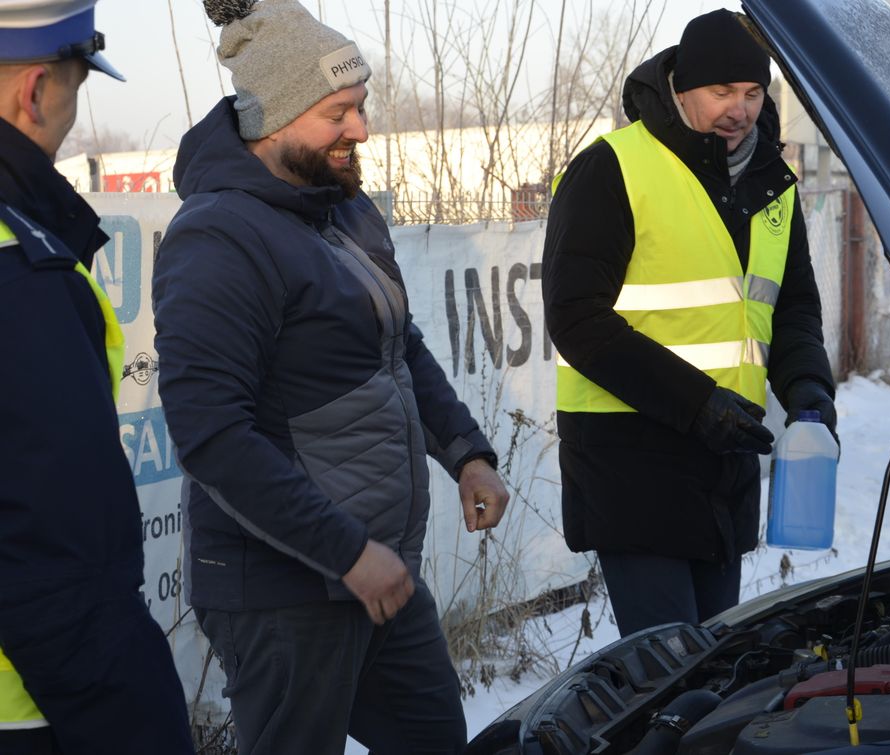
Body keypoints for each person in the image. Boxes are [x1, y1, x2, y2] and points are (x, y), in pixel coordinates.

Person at [152, 1, 510, 753]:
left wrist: (467, 453)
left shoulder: (343, 210)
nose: (362, 130)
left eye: (361, 105)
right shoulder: (219, 235)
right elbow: (211, 435)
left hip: (378, 569)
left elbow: (397, 347)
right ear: (272, 119)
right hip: (286, 590)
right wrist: (345, 551)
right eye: (337, 113)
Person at [543, 9, 838, 638]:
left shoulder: (771, 182)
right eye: (721, 92)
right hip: (632, 458)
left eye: (752, 93)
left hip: (726, 459)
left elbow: (791, 307)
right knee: (667, 670)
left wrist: (809, 388)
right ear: (681, 90)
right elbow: (576, 317)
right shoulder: (613, 168)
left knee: (715, 664)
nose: (740, 110)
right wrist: (699, 404)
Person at [0, 1, 196, 753]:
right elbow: (57, 558)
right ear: (35, 90)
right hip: (27, 707)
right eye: (77, 88)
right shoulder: (21, 270)